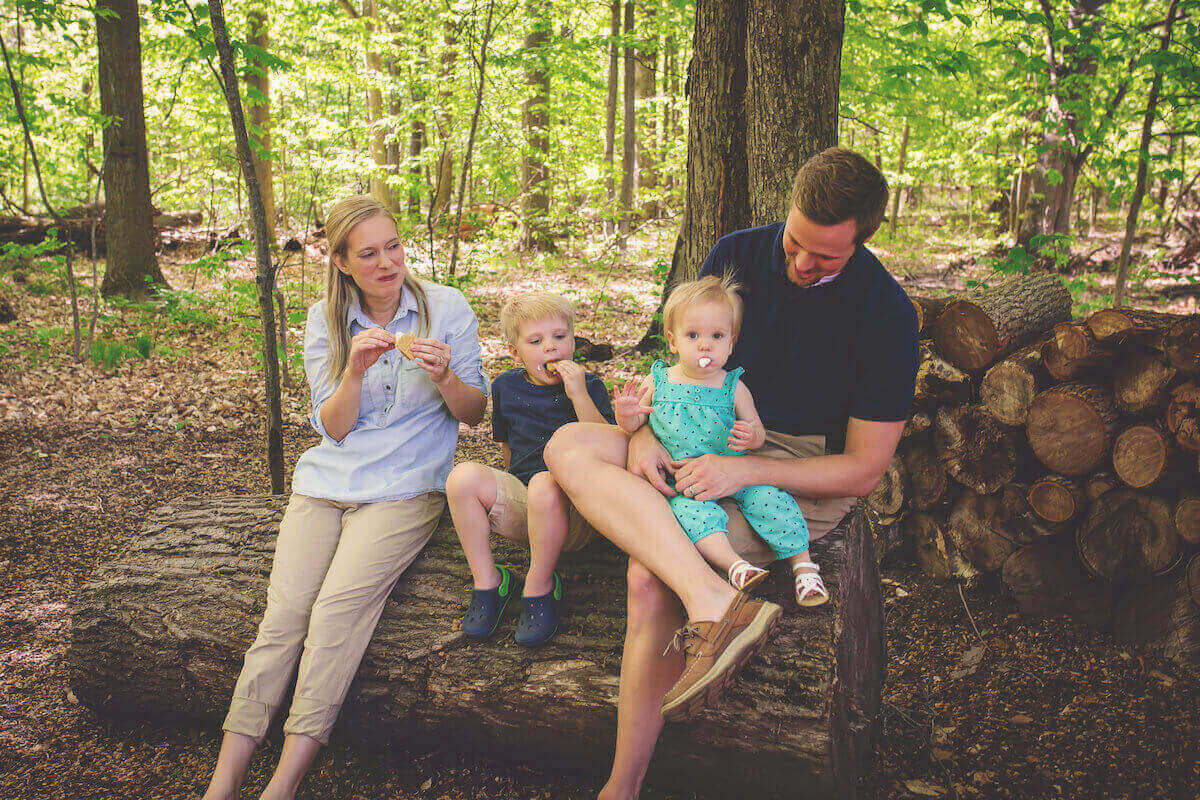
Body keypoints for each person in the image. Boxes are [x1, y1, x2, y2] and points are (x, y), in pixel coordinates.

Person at [544, 147, 919, 799]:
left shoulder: (887, 315)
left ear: (861, 243)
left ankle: (621, 787)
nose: (801, 264)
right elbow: (687, 358)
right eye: (795, 242)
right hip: (696, 430)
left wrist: (739, 468)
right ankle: (714, 600)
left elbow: (863, 471)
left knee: (646, 578)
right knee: (570, 445)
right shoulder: (738, 253)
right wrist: (641, 437)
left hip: (796, 464)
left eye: (823, 258)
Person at [201, 194, 488, 800]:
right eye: (369, 253)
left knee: (334, 616)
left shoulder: (446, 309)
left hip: (406, 488)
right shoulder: (323, 320)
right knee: (282, 620)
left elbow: (474, 413)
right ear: (340, 262)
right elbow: (332, 427)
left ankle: (282, 785)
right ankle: (222, 786)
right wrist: (354, 372)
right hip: (326, 483)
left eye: (394, 246)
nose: (388, 262)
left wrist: (444, 376)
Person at [613, 274, 826, 616]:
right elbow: (636, 425)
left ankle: (803, 566)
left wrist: (752, 435)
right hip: (684, 481)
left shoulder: (733, 387)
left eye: (716, 336)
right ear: (672, 341)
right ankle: (736, 566)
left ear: (732, 342)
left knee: (771, 499)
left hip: (734, 475)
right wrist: (627, 416)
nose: (705, 346)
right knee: (693, 518)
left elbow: (756, 428)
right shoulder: (660, 380)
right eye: (693, 336)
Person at [446, 292, 614, 646]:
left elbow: (607, 448)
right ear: (515, 352)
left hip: (579, 511)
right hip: (528, 505)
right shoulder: (505, 387)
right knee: (462, 478)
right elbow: (507, 450)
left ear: (573, 340)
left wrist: (578, 394)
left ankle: (540, 587)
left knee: (543, 483)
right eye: (536, 341)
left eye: (559, 337)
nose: (550, 348)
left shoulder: (590, 386)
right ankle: (489, 582)